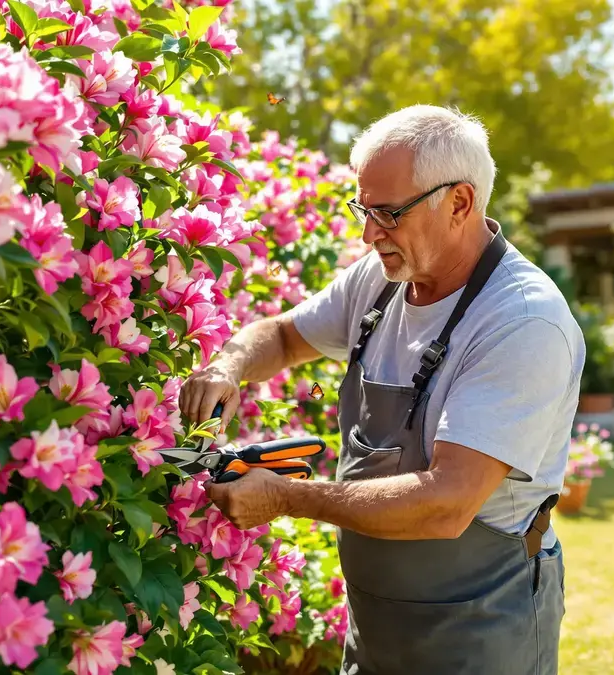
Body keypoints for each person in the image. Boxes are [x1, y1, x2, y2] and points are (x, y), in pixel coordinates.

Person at [178, 105, 584, 675]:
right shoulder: (381, 279)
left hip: (480, 635)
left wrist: (288, 498)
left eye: (388, 213)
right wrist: (230, 364)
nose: (369, 234)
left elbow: (447, 504)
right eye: (364, 210)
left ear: (459, 203)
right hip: (376, 631)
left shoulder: (521, 321)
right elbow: (284, 337)